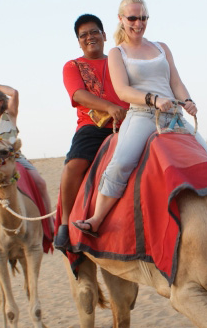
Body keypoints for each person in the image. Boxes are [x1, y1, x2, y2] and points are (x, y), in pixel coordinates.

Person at [72, 0, 207, 237]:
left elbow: (176, 82)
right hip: (142, 114)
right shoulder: (118, 52)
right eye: (132, 18)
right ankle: (96, 219)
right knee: (122, 162)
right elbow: (122, 90)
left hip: (174, 116)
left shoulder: (161, 47)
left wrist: (189, 101)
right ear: (121, 19)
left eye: (143, 18)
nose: (138, 23)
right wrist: (154, 99)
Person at [53, 14, 129, 250]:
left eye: (94, 32)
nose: (90, 37)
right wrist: (109, 106)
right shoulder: (73, 66)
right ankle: (65, 224)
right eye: (83, 34)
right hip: (93, 127)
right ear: (78, 41)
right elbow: (77, 94)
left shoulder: (121, 60)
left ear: (105, 35)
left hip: (128, 124)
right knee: (73, 166)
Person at [0, 84, 52, 255]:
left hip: (14, 156)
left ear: (1, 102)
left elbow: (14, 93)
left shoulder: (10, 115)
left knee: (40, 183)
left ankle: (50, 224)